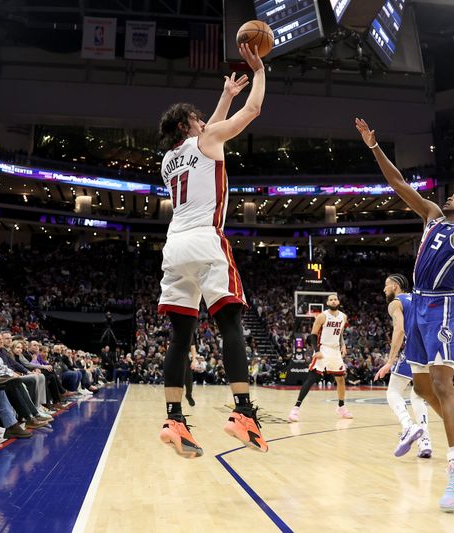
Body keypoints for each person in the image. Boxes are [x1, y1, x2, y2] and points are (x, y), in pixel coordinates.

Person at [356, 118, 454, 511]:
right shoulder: (431, 216)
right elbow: (398, 185)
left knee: (443, 386)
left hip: (441, 305)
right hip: (418, 306)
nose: (451, 197)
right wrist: (375, 147)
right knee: (423, 390)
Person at [156, 43, 267, 458]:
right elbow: (251, 113)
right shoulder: (206, 141)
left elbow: (211, 136)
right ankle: (242, 412)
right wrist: (259, 73)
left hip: (174, 247)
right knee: (230, 324)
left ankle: (173, 419)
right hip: (206, 238)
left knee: (180, 337)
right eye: (199, 118)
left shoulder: (169, 159)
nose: (206, 121)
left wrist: (224, 96)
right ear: (188, 124)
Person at [374, 274, 432, 459]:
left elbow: (399, 330)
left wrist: (390, 361)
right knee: (418, 396)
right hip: (431, 349)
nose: (384, 289)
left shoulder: (396, 303)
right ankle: (425, 443)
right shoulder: (417, 298)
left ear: (395, 286)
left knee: (392, 391)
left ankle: (408, 426)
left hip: (415, 349)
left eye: (386, 285)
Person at [288, 294, 353, 422]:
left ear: (338, 301)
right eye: (331, 299)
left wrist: (343, 345)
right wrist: (316, 351)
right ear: (327, 302)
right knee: (312, 378)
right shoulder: (322, 316)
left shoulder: (343, 317)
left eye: (335, 299)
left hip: (335, 351)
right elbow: (312, 335)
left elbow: (340, 334)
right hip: (323, 349)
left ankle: (341, 406)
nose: (333, 301)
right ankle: (295, 409)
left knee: (341, 379)